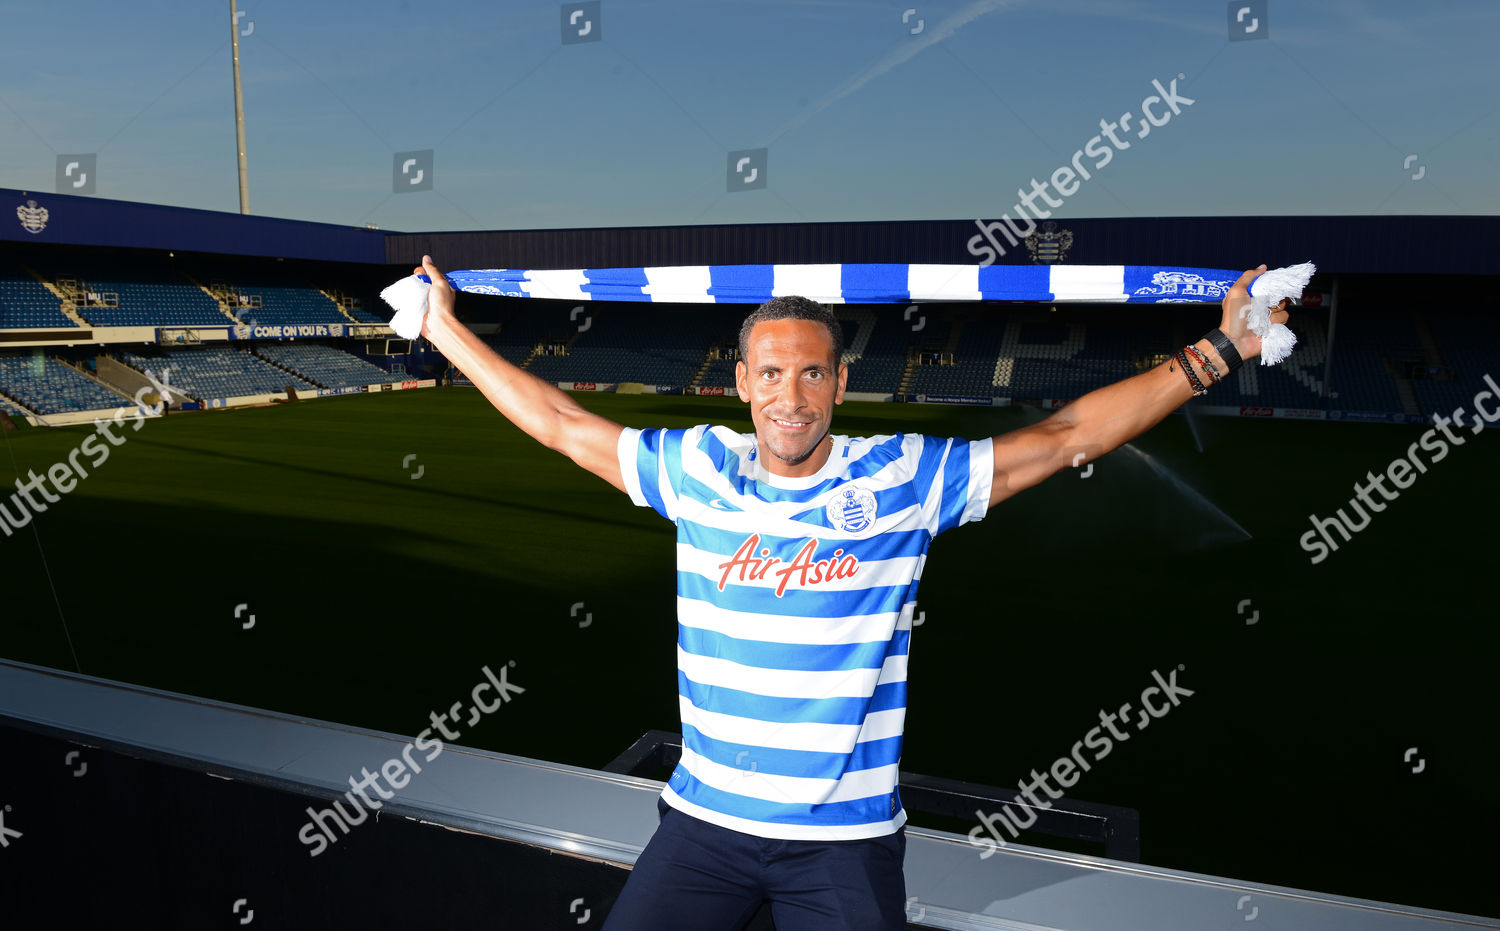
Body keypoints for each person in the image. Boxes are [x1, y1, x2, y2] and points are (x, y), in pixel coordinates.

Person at [413, 255, 1290, 930]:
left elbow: (1063, 436)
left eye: (810, 375)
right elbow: (561, 424)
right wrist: (442, 328)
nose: (789, 397)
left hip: (844, 842)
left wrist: (1222, 349)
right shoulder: (695, 467)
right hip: (700, 826)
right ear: (741, 383)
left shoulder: (905, 477)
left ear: (838, 383)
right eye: (770, 374)